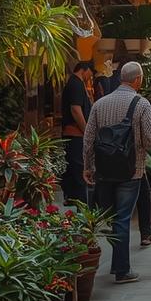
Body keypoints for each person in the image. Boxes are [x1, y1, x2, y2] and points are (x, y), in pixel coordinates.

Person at [82, 61, 151, 284]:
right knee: (123, 218)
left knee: (114, 217)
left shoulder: (100, 104)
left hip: (104, 171)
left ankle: (116, 263)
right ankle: (122, 269)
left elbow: (88, 139)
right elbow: (150, 140)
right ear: (137, 80)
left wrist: (87, 167)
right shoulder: (141, 104)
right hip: (131, 171)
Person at [60, 60, 95, 204]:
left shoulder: (74, 83)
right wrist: (86, 131)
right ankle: (82, 204)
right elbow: (76, 109)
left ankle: (72, 198)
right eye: (90, 74)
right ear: (84, 69)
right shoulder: (76, 84)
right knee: (79, 169)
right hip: (76, 133)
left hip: (74, 134)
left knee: (73, 169)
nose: (90, 77)